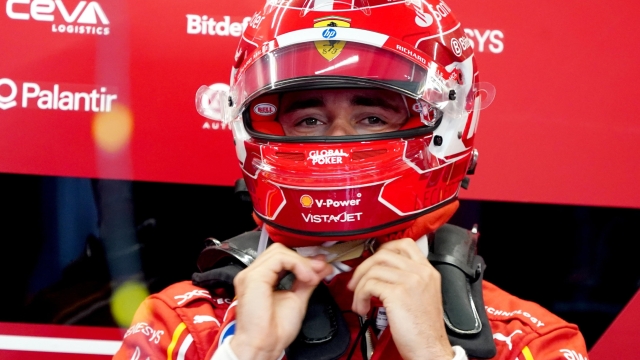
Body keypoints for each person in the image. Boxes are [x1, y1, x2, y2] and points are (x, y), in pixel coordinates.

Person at [114, 0, 588, 359]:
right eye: (310, 121)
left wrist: (435, 353)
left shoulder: (530, 342)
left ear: (447, 126)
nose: (337, 143)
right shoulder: (182, 327)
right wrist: (243, 353)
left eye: (371, 118)